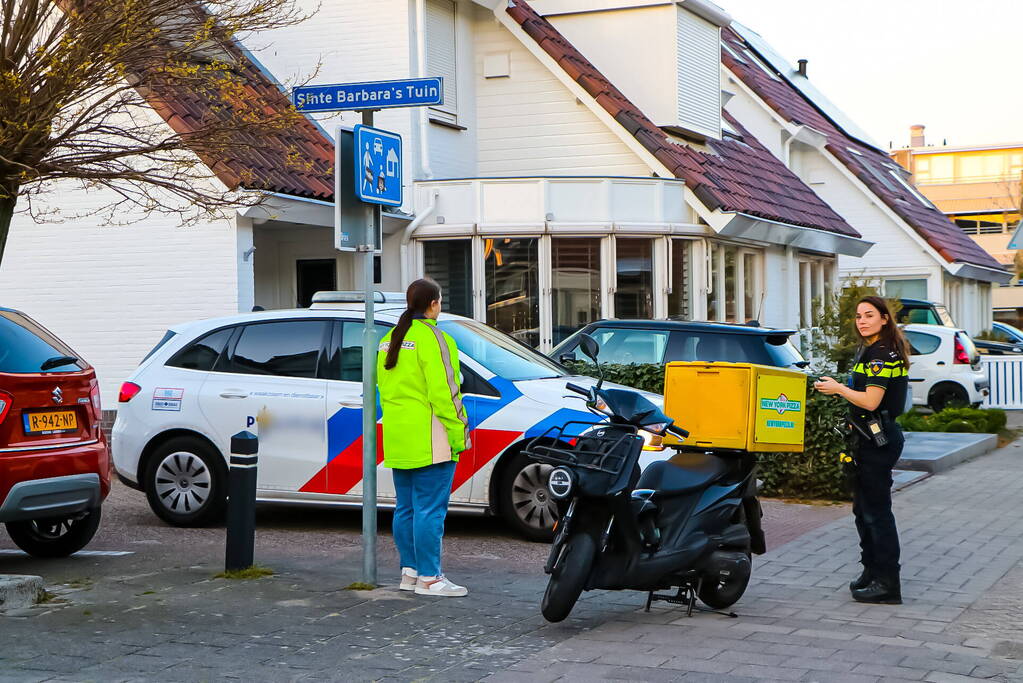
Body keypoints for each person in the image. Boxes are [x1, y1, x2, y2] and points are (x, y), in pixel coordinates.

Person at [376, 278, 471, 597]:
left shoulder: (389, 339)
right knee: (430, 510)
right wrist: (460, 433)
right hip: (431, 437)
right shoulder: (434, 337)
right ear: (433, 304)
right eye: (440, 301)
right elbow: (445, 391)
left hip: (399, 435)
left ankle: (411, 572)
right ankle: (431, 578)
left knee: (406, 509)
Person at [813, 296, 910, 604]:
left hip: (878, 443)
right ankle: (872, 572)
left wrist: (839, 389)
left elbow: (871, 401)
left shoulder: (882, 353)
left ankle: (887, 584)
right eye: (858, 316)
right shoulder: (869, 350)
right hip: (865, 440)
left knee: (877, 514)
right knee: (863, 511)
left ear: (884, 319)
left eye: (869, 315)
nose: (862, 320)